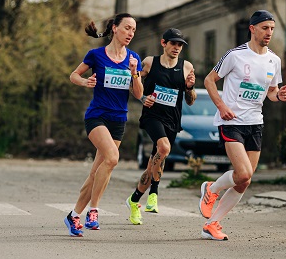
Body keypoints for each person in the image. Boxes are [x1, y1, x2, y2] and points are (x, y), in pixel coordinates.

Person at [199, 10, 286, 240]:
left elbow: (270, 93)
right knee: (243, 172)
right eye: (264, 28)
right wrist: (221, 105)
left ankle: (212, 224)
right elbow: (209, 80)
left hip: (255, 123)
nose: (269, 32)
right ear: (252, 28)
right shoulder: (235, 55)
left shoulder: (274, 60)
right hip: (231, 121)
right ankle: (211, 190)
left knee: (245, 180)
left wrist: (279, 96)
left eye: (272, 28)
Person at [64, 13, 143, 237]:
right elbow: (73, 75)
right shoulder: (96, 55)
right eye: (127, 28)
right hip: (97, 116)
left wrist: (135, 72)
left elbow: (138, 94)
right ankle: (94, 210)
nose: (130, 33)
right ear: (115, 28)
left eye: (133, 30)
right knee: (112, 158)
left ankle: (73, 215)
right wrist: (85, 81)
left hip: (118, 119)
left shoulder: (133, 58)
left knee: (96, 172)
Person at [125, 28, 196, 225]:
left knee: (153, 165)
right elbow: (134, 84)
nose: (177, 48)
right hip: (152, 116)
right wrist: (142, 98)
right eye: (173, 43)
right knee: (164, 148)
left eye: (180, 45)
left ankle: (134, 200)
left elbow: (190, 101)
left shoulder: (186, 67)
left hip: (172, 120)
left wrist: (189, 88)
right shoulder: (149, 62)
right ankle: (154, 193)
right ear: (163, 43)